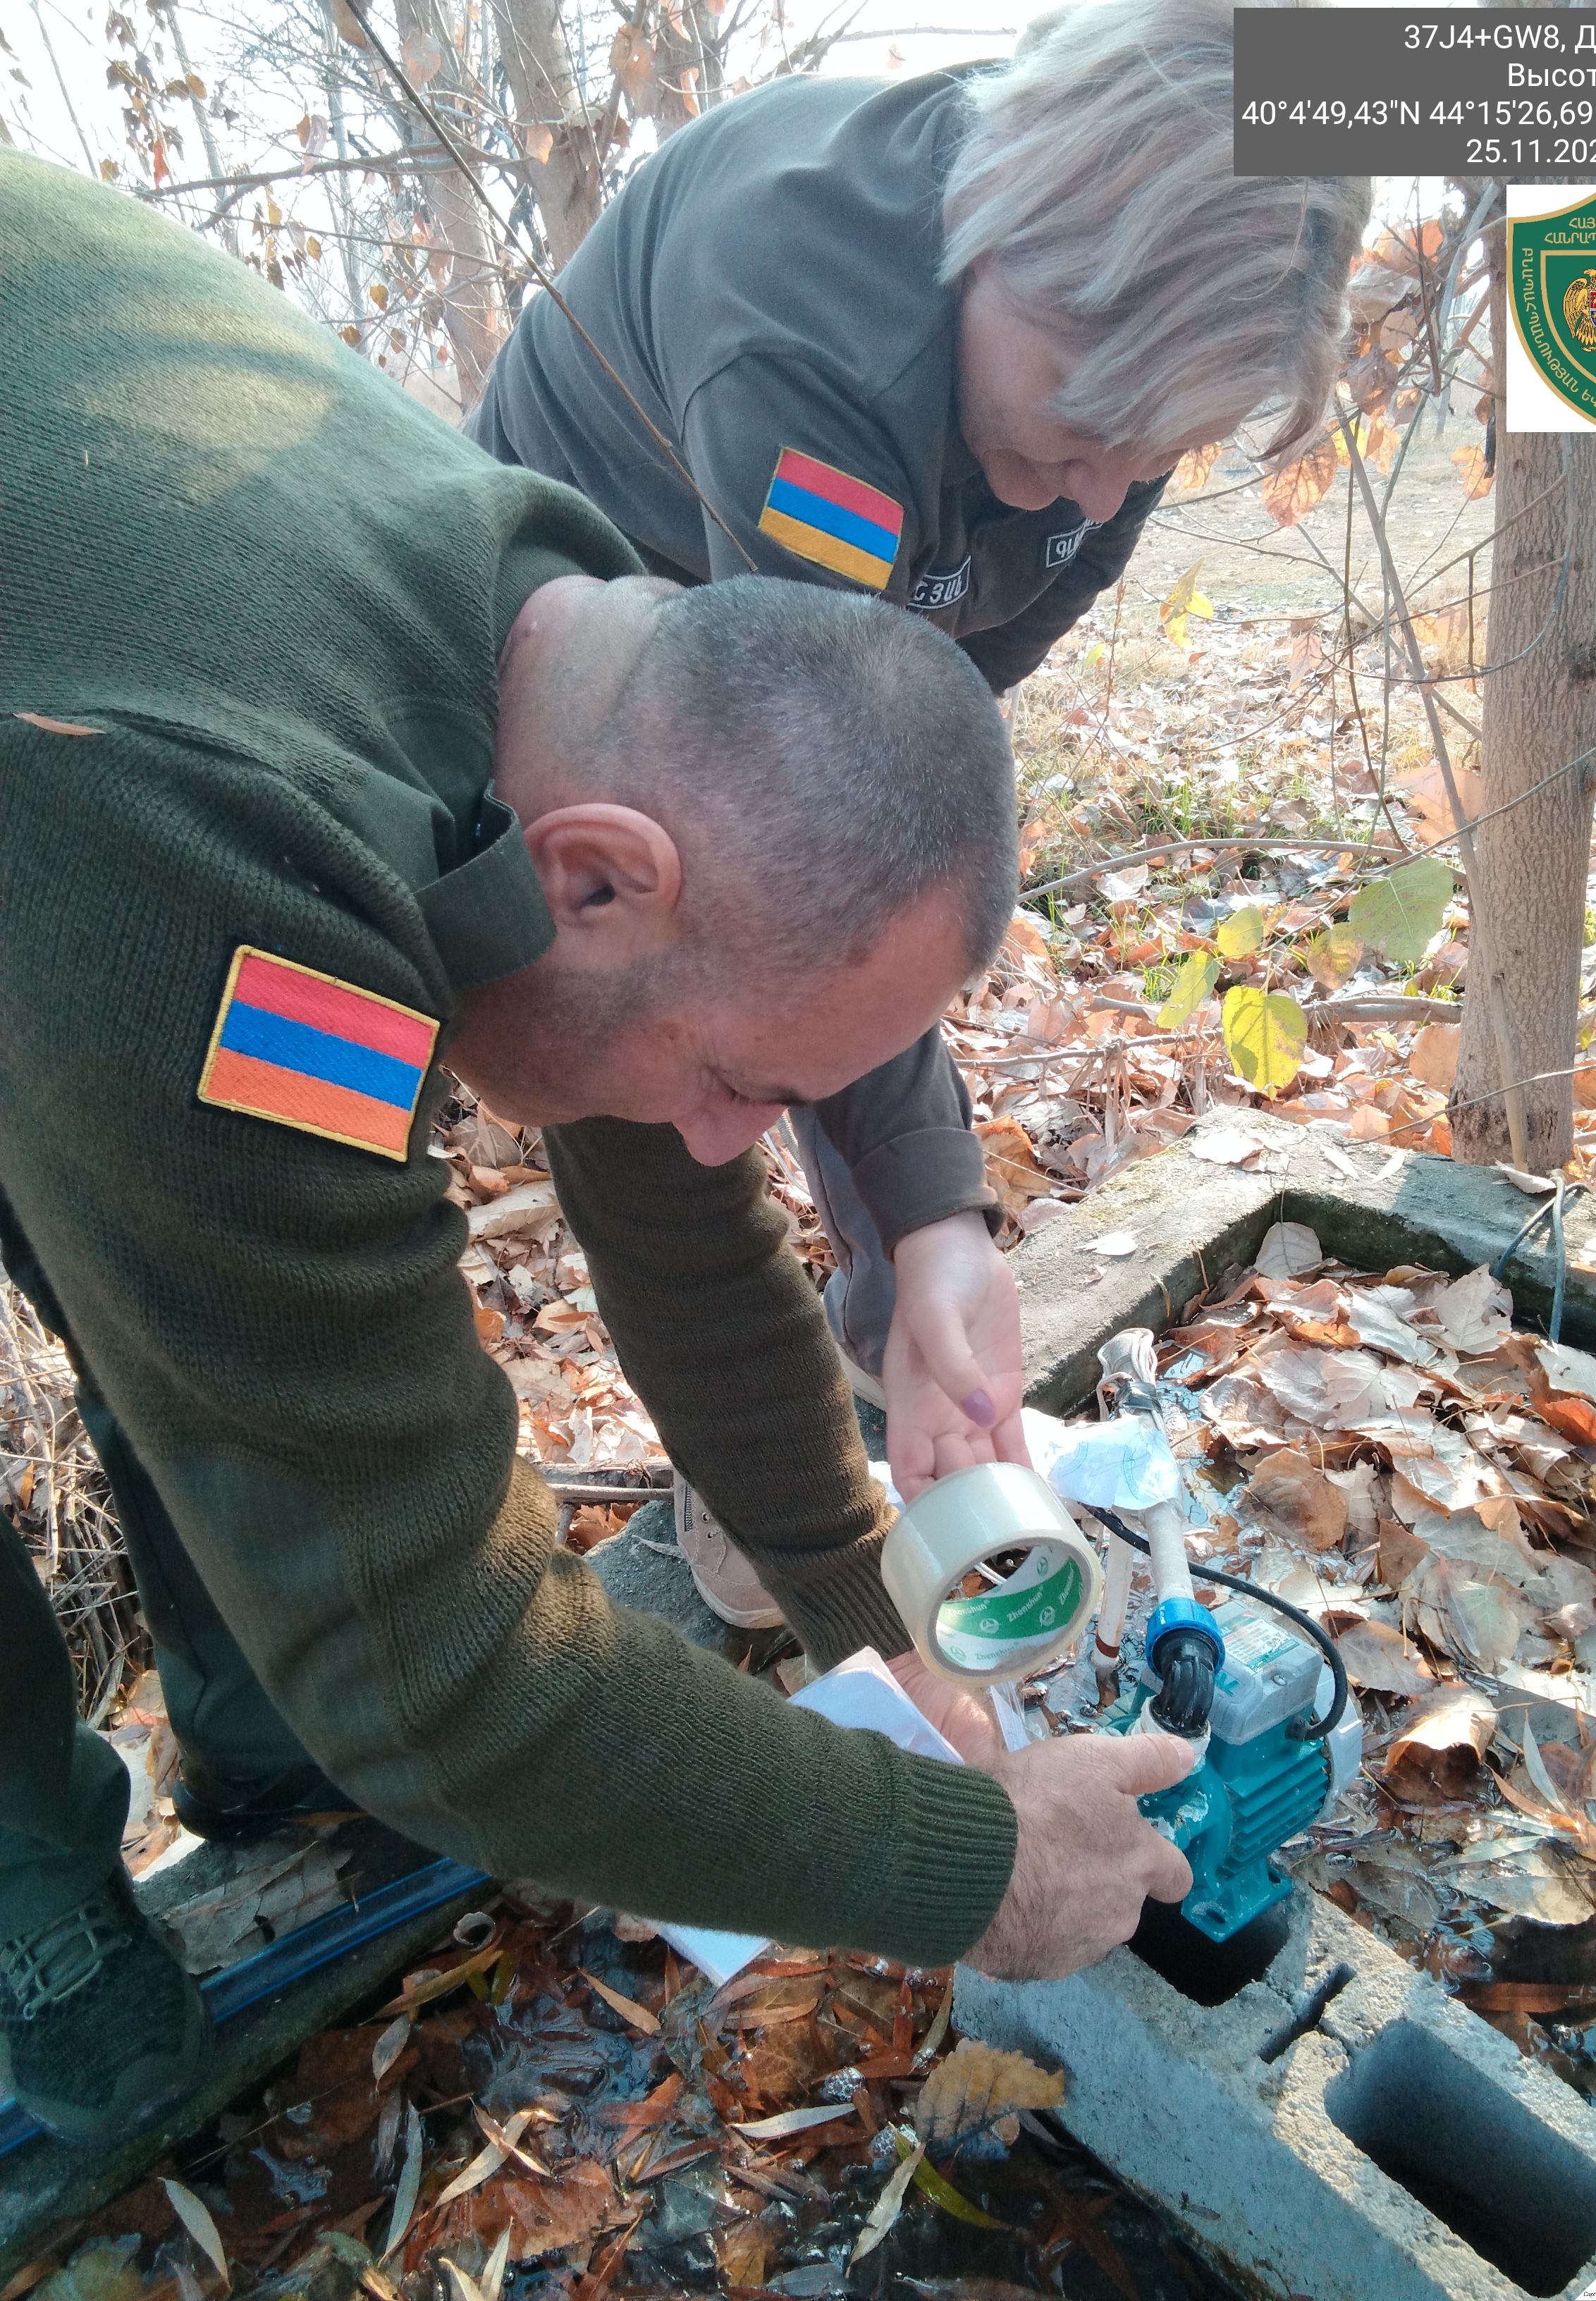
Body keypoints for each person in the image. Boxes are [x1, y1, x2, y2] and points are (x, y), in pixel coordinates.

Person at [0, 150, 1195, 2148]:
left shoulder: (550, 646)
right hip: (75, 777)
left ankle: (255, 1720)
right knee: (184, 1246)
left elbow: (676, 1210)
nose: (733, 1138)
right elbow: (445, 1668)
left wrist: (865, 1609)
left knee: (174, 1273)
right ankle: (25, 1882)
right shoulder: (236, 877)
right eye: (742, 1076)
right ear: (599, 875)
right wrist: (970, 1867)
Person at [467, 0, 1370, 1619]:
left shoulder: (1103, 385)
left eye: (1155, 450)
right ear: (1001, 235)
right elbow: (811, 828)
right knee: (668, 1068)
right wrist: (926, 1200)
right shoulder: (805, 342)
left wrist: (933, 1233)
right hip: (597, 598)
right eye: (1087, 424)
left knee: (838, 1037)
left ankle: (897, 1373)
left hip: (816, 644)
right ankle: (780, 1491)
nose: (1101, 495)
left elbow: (909, 790)